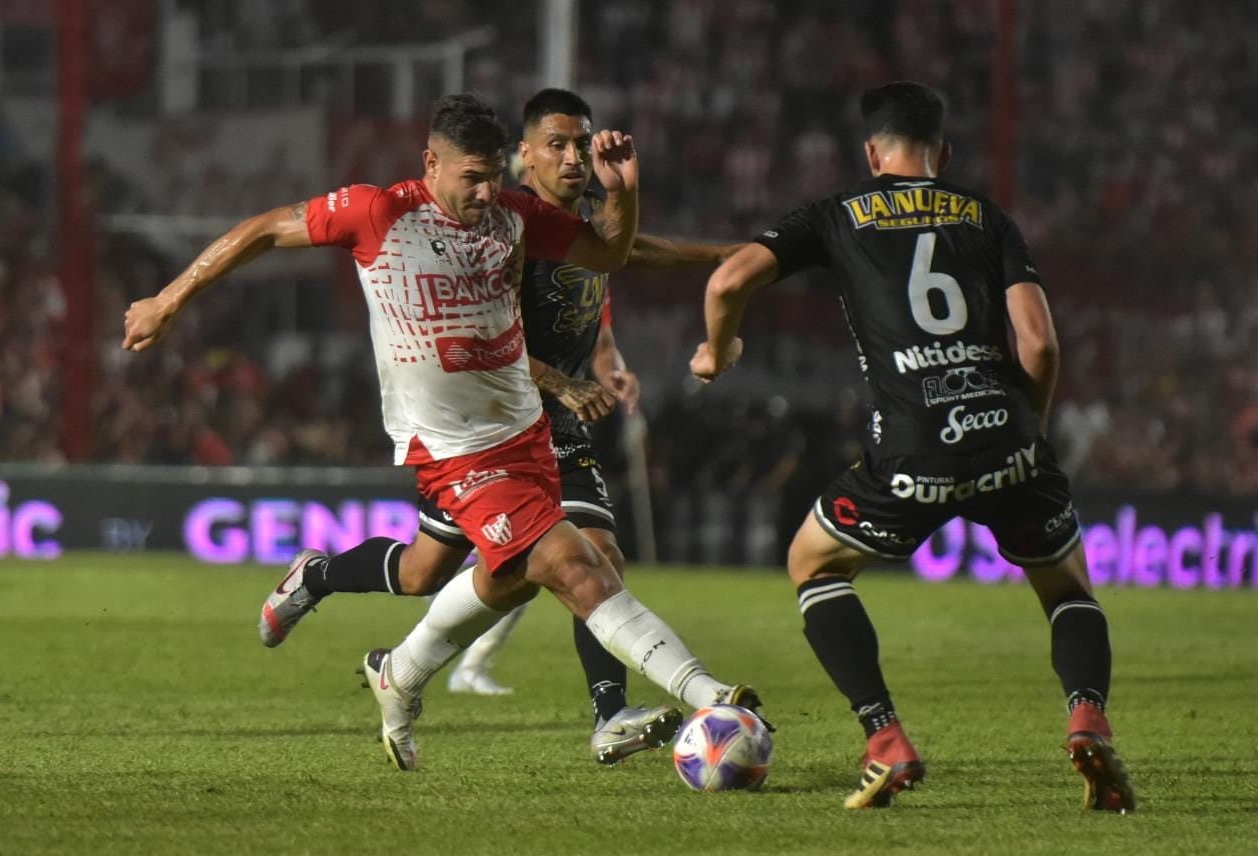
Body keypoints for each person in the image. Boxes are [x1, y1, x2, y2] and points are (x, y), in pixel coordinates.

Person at [123, 93, 766, 773]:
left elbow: (608, 253)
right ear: (431, 163)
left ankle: (397, 667)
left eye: (495, 176)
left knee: (482, 576)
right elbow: (261, 229)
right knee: (579, 566)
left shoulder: (514, 217)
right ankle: (713, 697)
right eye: (472, 178)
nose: (488, 192)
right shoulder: (378, 213)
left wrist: (625, 192)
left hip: (523, 432)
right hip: (452, 448)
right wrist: (168, 299)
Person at [689, 81, 1134, 812]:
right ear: (944, 153)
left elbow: (730, 277)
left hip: (912, 449)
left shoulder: (836, 214)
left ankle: (884, 737)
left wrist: (716, 350)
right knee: (1066, 587)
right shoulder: (987, 217)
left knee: (814, 563)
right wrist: (1032, 433)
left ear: (871, 152)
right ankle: (1087, 716)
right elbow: (1041, 344)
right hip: (1007, 439)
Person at [420, 89, 740, 766]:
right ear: (524, 157)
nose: (573, 158)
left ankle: (610, 714)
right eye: (558, 145)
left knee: (594, 560)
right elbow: (488, 333)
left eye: (582, 144)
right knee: (424, 570)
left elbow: (622, 264)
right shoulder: (505, 228)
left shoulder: (588, 227)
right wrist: (564, 381)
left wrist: (730, 258)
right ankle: (343, 603)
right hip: (494, 423)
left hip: (559, 423)